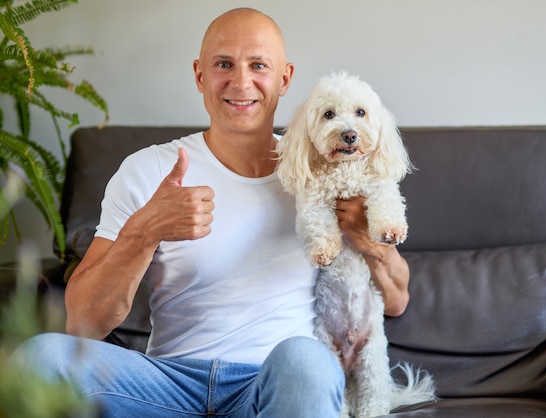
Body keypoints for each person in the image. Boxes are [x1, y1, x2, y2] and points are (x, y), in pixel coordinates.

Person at [15, 7, 411, 417]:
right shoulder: (148, 169)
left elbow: (396, 301)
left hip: (273, 384)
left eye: (258, 65)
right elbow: (83, 324)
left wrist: (372, 244)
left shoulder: (322, 168)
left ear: (285, 79)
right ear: (200, 75)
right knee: (41, 357)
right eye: (224, 64)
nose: (241, 82)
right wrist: (145, 230)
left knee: (307, 361)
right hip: (166, 386)